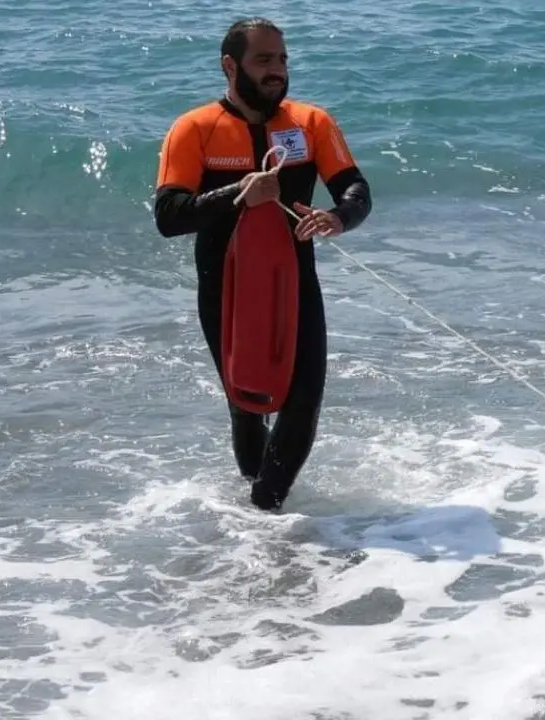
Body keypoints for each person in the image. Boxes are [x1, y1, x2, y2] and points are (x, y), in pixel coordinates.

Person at [153, 17, 372, 510]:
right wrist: (238, 194)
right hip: (225, 289)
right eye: (264, 60)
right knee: (247, 404)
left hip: (294, 283)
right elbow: (168, 216)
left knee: (303, 401)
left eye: (282, 59)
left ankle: (264, 511)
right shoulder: (194, 129)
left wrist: (338, 217)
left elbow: (356, 190)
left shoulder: (310, 123)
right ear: (230, 66)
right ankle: (258, 528)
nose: (277, 70)